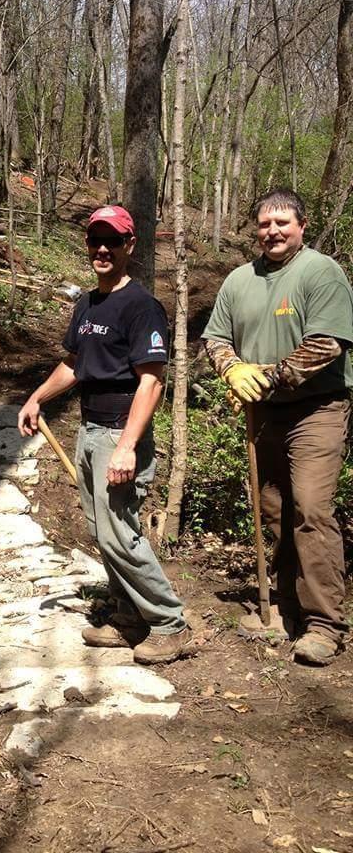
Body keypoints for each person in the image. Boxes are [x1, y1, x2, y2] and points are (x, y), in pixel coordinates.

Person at [18, 205, 191, 665]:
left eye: (111, 240)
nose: (101, 248)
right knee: (101, 530)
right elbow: (74, 364)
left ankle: (169, 623)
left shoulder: (142, 307)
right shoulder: (89, 303)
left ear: (129, 246)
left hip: (119, 433)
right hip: (90, 429)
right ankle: (129, 616)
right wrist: (37, 397)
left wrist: (128, 446)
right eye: (95, 239)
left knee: (119, 533)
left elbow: (152, 381)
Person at [203, 188, 353, 666]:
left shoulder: (320, 271)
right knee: (273, 508)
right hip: (264, 412)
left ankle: (324, 624)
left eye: (283, 223)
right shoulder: (238, 280)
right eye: (265, 224)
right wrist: (230, 369)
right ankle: (285, 606)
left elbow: (327, 344)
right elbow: (216, 338)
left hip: (316, 407)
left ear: (302, 226)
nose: (273, 232)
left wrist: (265, 376)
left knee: (310, 507)